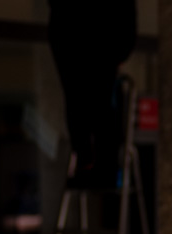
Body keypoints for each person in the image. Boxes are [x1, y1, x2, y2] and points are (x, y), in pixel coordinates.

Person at [47, 0, 136, 190]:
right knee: (80, 105)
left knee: (97, 107)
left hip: (96, 38)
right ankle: (90, 163)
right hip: (75, 37)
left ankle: (101, 167)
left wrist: (122, 48)